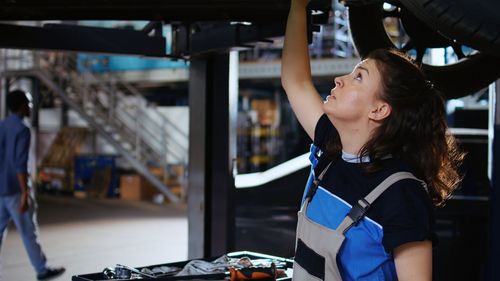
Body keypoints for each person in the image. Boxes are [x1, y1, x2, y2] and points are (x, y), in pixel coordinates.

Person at [281, 0, 464, 280]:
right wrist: (298, 6)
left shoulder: (400, 194)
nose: (339, 79)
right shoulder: (333, 150)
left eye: (358, 77)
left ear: (379, 110)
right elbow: (295, 81)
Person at [0, 90, 65, 280]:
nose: (30, 107)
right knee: (28, 232)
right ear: (21, 105)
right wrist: (25, 194)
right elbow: (20, 165)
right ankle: (42, 270)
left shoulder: (2, 126)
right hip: (14, 191)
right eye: (28, 103)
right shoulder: (23, 129)